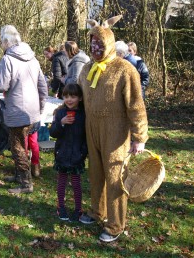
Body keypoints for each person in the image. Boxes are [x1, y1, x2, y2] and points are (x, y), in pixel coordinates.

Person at [77, 16, 148, 243]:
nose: (95, 48)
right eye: (92, 43)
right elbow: (78, 97)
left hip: (116, 132)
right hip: (92, 129)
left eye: (100, 43)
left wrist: (139, 137)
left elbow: (136, 104)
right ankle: (98, 211)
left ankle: (115, 223)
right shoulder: (87, 69)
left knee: (115, 176)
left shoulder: (125, 69)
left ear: (109, 43)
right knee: (96, 173)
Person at [0, 25, 48, 194]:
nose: (1, 44)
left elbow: (0, 85)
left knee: (17, 147)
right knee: (19, 142)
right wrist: (40, 108)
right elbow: (42, 87)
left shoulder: (8, 59)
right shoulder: (33, 59)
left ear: (7, 41)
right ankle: (19, 174)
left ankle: (25, 183)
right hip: (32, 111)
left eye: (2, 41)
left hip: (17, 111)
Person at [49, 83, 87, 221]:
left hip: (77, 155)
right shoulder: (59, 113)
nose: (69, 100)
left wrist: (83, 152)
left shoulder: (84, 115)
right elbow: (53, 133)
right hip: (62, 154)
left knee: (76, 184)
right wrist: (62, 123)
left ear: (80, 98)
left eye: (73, 96)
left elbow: (86, 136)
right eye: (66, 96)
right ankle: (61, 207)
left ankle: (78, 209)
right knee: (62, 182)